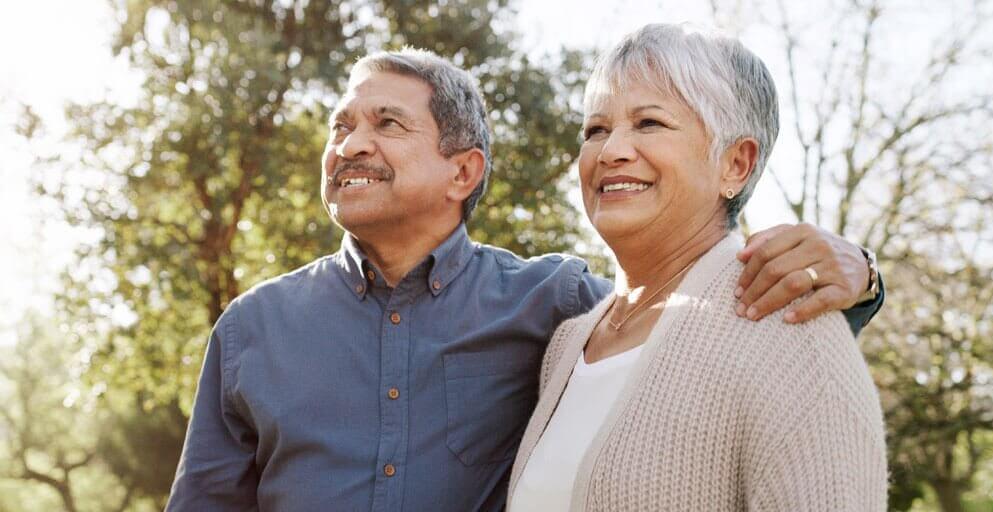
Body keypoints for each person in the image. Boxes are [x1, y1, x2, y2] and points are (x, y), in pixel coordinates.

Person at [167, 46, 884, 511]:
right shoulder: (251, 330)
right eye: (341, 126)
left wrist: (859, 280)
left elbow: (712, 342)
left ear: (463, 171)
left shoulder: (555, 306)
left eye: (387, 123)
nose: (352, 144)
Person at [507, 24, 887, 512]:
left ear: (735, 164)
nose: (610, 151)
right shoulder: (568, 343)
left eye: (649, 123)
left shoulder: (789, 325)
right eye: (596, 130)